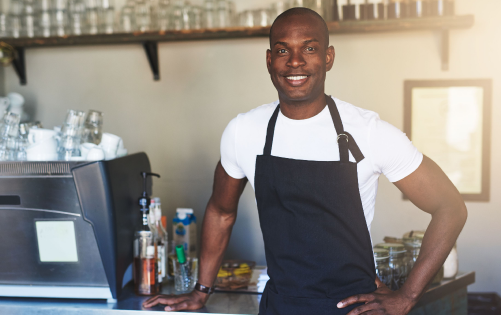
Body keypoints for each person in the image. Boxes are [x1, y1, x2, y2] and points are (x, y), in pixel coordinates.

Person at [143, 7, 467, 315]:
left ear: (328, 58)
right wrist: (201, 290)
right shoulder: (244, 131)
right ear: (270, 61)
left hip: (353, 308)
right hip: (280, 306)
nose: (295, 62)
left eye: (309, 49)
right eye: (283, 51)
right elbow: (221, 211)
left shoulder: (369, 132)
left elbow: (450, 206)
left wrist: (407, 296)